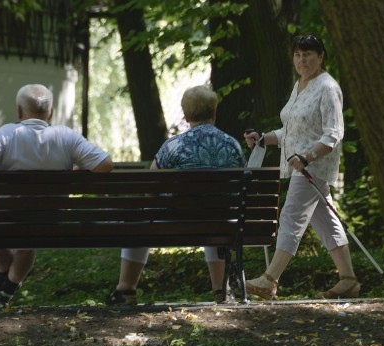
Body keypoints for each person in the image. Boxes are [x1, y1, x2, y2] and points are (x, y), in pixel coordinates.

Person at [0, 83, 114, 305]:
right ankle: (8, 288)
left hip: (3, 219)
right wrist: (76, 170)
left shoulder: (7, 133)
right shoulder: (66, 136)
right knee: (28, 238)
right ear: (51, 112)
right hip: (49, 219)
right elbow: (105, 165)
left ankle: (2, 279)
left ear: (19, 111)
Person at [243, 34, 360, 300]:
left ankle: (269, 279)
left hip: (312, 168)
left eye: (307, 54)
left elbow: (333, 134)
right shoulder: (300, 86)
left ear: (320, 57)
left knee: (291, 215)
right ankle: (349, 279)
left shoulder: (328, 87)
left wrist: (307, 157)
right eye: (297, 55)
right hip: (302, 167)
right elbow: (290, 131)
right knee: (326, 222)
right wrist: (264, 138)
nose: (302, 60)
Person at [106, 85, 246, 306]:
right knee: (214, 215)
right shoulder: (233, 146)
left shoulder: (173, 146)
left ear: (186, 114)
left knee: (138, 219)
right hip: (221, 221)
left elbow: (150, 187)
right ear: (214, 111)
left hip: (177, 219)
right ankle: (222, 290)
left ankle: (126, 290)